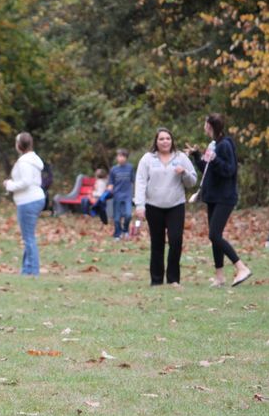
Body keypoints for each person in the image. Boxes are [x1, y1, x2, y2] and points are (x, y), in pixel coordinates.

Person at [186, 113, 251, 287]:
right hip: (213, 197)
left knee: (214, 235)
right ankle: (219, 277)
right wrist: (196, 155)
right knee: (215, 237)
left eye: (205, 124)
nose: (203, 127)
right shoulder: (213, 145)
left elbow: (229, 170)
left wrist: (214, 159)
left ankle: (241, 267)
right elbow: (207, 170)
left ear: (210, 126)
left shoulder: (225, 145)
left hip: (225, 197)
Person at [134, 127, 197, 286]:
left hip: (175, 205)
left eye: (168, 138)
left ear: (172, 141)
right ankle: (156, 280)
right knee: (157, 243)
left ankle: (173, 279)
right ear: (156, 141)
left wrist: (184, 173)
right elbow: (140, 182)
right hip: (153, 205)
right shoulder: (148, 159)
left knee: (176, 241)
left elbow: (193, 181)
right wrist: (140, 205)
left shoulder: (181, 157)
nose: (165, 142)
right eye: (161, 139)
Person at [3, 132, 46, 276]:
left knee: (28, 237)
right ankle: (27, 269)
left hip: (28, 200)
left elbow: (26, 182)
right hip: (35, 198)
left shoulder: (24, 162)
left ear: (19, 145)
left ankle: (32, 271)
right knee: (28, 236)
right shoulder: (33, 159)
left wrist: (9, 185)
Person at [107, 149, 135, 240]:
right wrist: (109, 189)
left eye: (123, 156)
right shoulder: (113, 169)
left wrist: (135, 195)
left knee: (128, 215)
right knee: (116, 218)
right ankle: (117, 235)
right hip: (117, 196)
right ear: (117, 157)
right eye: (119, 156)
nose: (121, 158)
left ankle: (125, 230)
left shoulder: (130, 168)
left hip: (127, 196)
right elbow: (111, 183)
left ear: (126, 158)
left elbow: (134, 181)